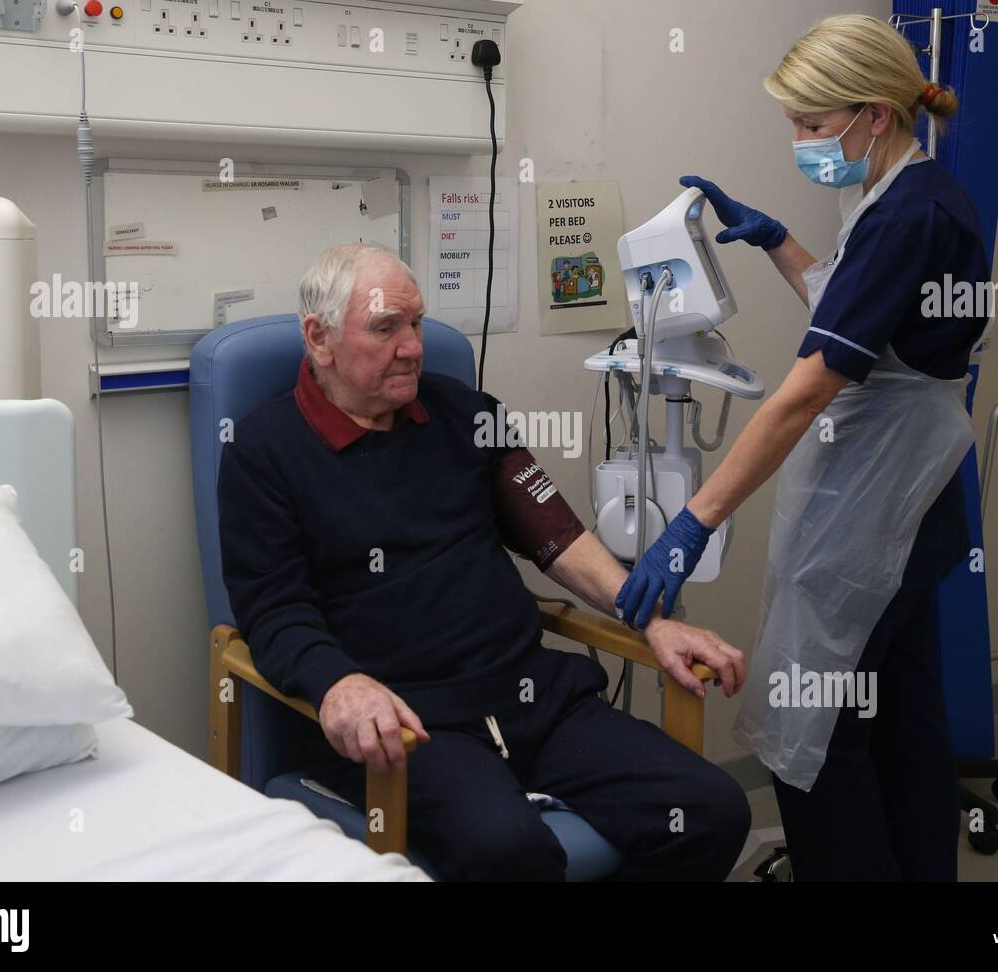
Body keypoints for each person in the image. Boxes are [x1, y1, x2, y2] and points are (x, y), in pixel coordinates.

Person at [218, 242, 751, 881]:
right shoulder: (264, 451)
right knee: (510, 853)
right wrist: (339, 684)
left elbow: (560, 539)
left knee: (713, 810)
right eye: (386, 328)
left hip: (534, 699)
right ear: (320, 338)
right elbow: (274, 611)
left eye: (415, 324)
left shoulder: (467, 414)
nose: (412, 346)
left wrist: (649, 618)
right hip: (408, 726)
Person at [617, 14, 990, 881]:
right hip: (914, 501)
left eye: (812, 126)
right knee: (903, 713)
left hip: (875, 508)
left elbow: (808, 389)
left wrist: (693, 522)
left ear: (875, 114)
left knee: (811, 732)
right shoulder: (917, 195)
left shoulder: (904, 217)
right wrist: (779, 239)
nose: (800, 141)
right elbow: (866, 313)